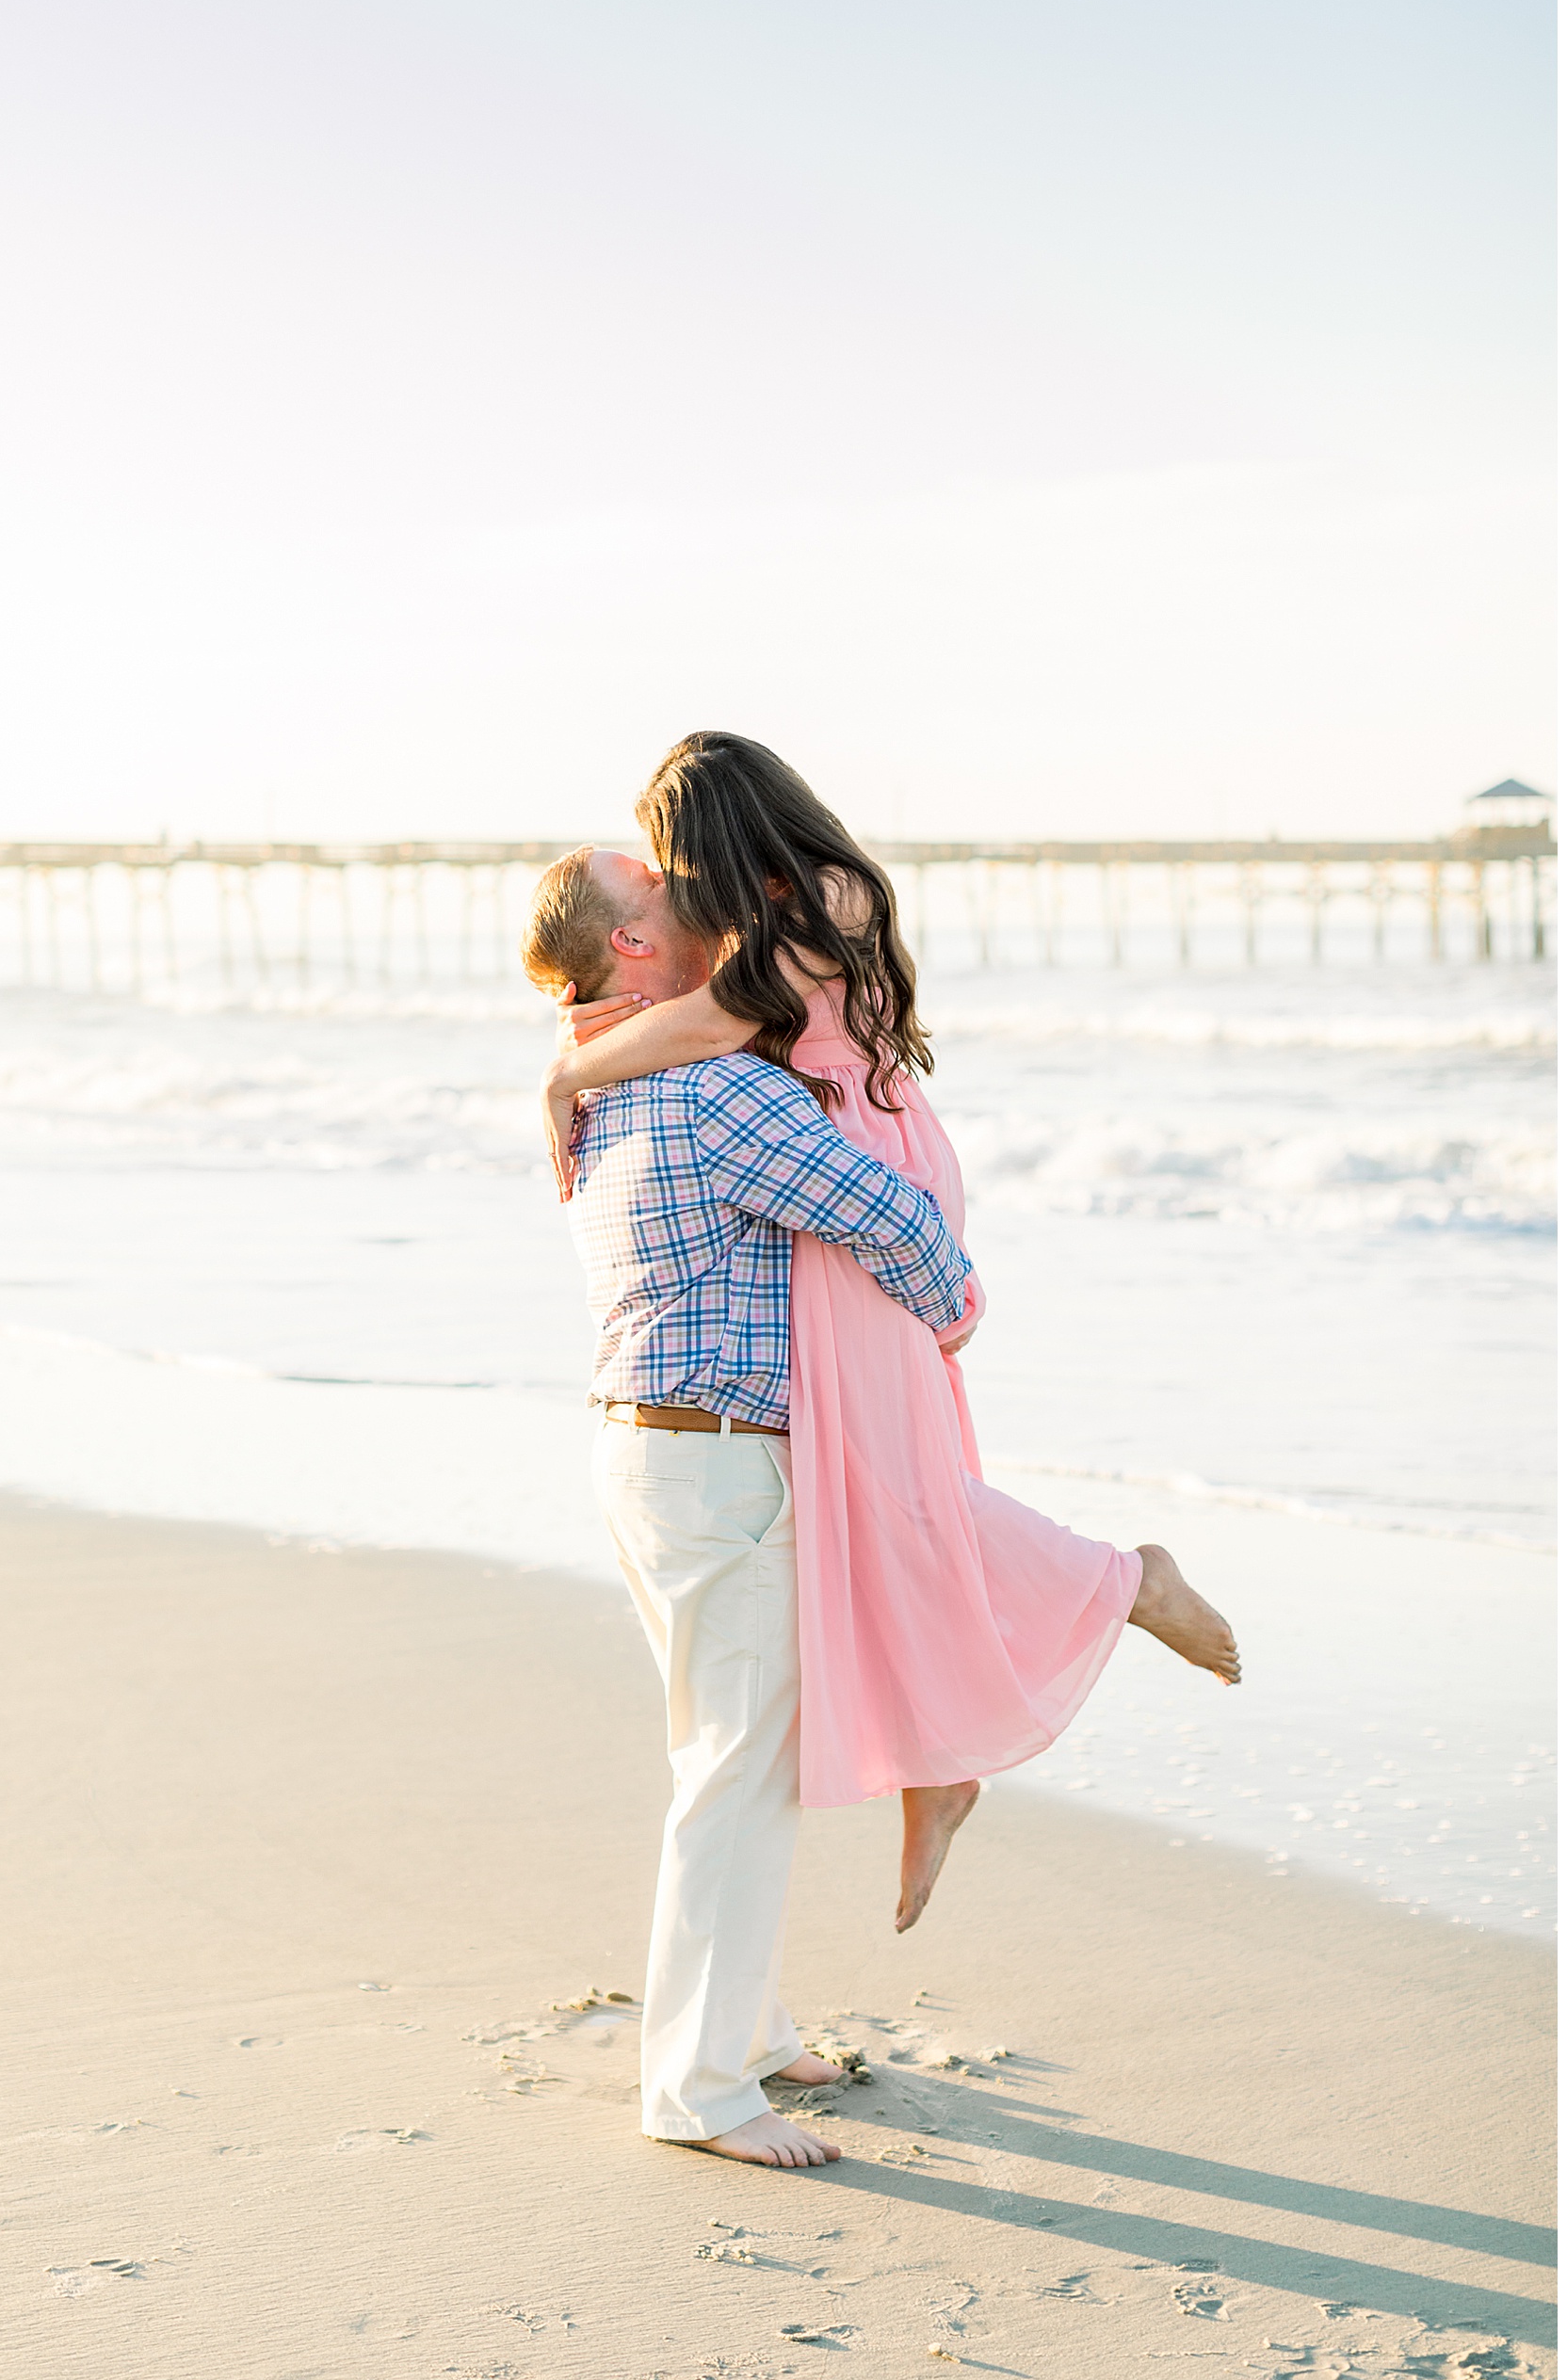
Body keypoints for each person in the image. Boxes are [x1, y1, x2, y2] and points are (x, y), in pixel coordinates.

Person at [531, 733, 1241, 1939]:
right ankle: (939, 1761)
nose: (669, 879)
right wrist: (580, 1063)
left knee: (899, 1488)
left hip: (878, 1159)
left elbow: (711, 1017)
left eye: (667, 855)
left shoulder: (822, 902)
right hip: (853, 1179)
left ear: (717, 829)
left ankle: (1119, 1588)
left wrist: (569, 1073)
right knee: (881, 1492)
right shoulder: (770, 921)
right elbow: (705, 1021)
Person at [521, 844, 975, 2170]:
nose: (710, 904)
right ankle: (703, 2082)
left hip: (648, 1452)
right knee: (737, 1773)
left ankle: (748, 2027)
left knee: (721, 1757)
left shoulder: (597, 1089)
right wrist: (953, 1320)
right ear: (635, 950)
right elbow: (896, 1223)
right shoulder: (714, 1090)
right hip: (719, 1461)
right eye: (672, 897)